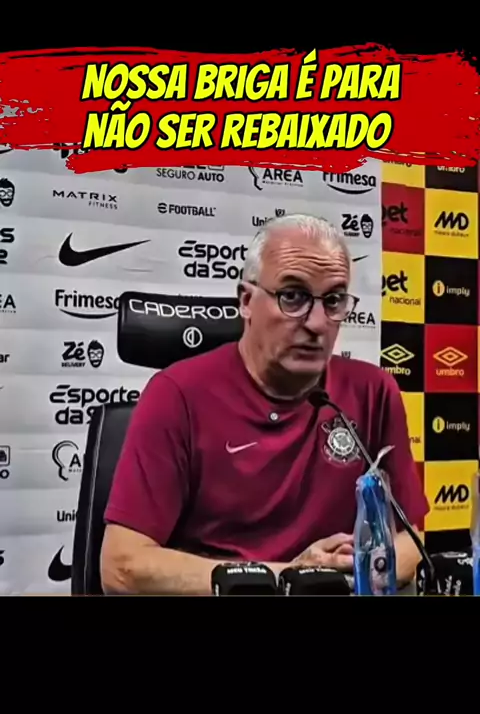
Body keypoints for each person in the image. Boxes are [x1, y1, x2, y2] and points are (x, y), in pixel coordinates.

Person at [100, 213, 429, 595]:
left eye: (334, 300)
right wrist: (290, 577)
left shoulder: (373, 391)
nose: (317, 323)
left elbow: (412, 541)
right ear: (246, 301)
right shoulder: (176, 395)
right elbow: (121, 567)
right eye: (293, 297)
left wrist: (352, 572)